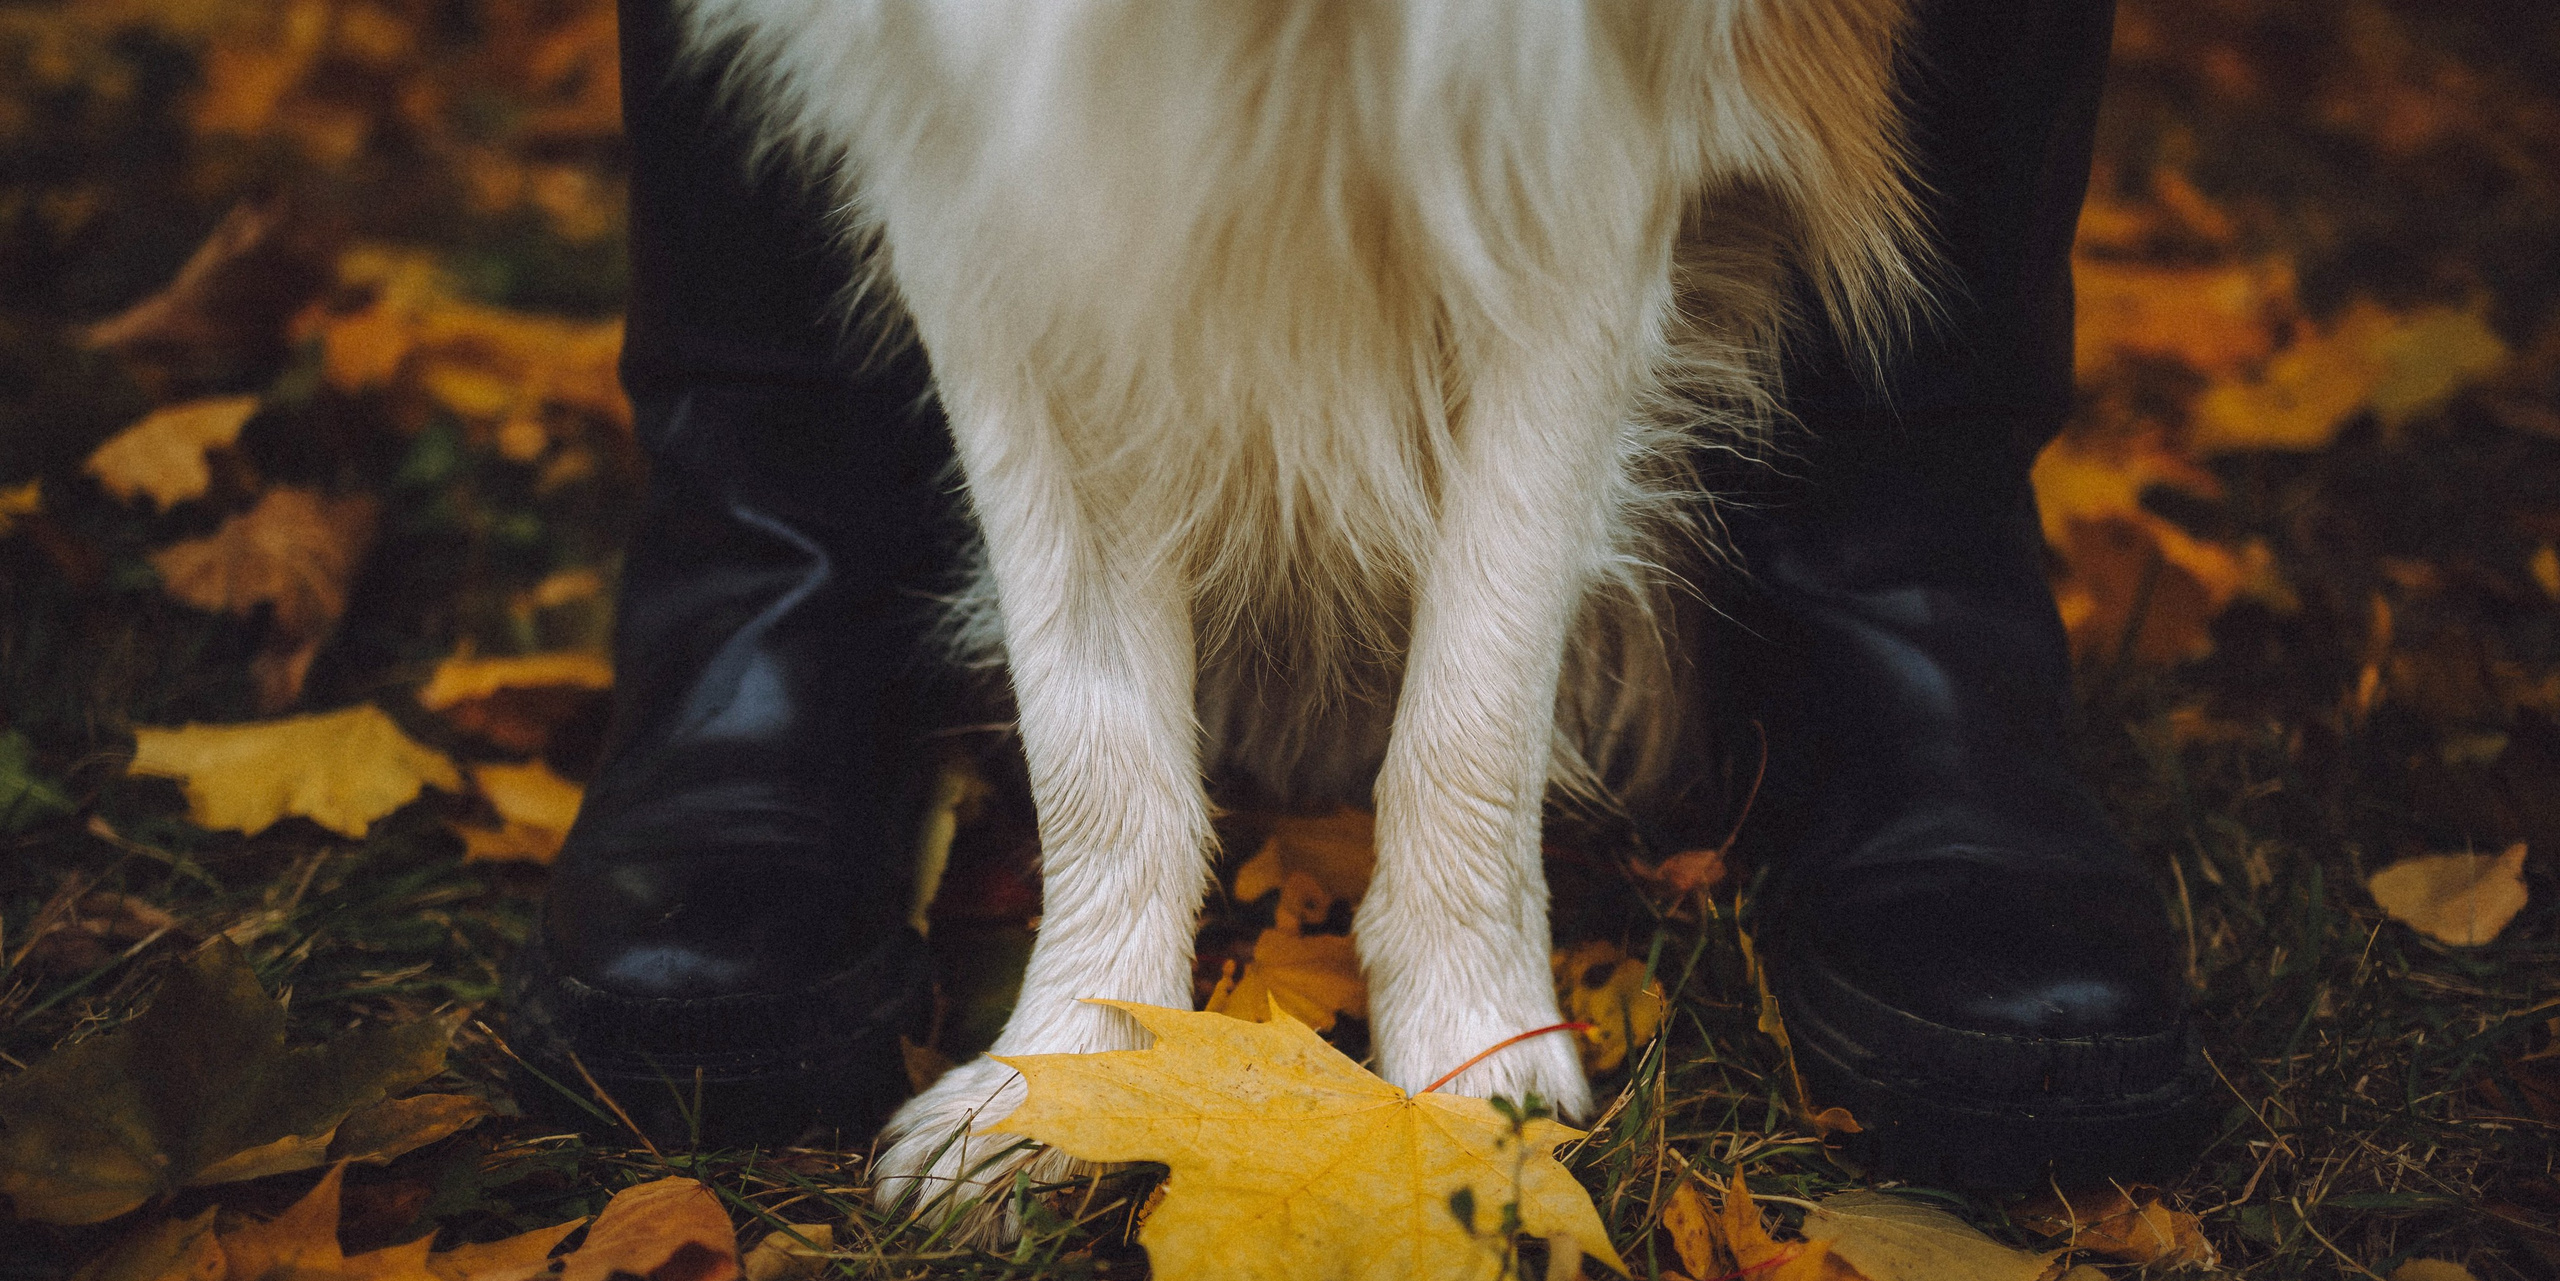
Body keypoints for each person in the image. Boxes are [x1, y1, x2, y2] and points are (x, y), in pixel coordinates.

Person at [507, 0, 2212, 1188]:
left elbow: (1591, 219)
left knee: (1589, 95)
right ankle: (800, 591)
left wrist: (1461, 906)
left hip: (1665, 529)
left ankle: (1888, 593)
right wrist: (1113, 896)